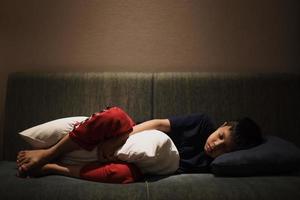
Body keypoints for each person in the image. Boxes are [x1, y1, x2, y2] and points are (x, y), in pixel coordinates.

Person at [16, 106, 263, 182]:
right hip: (134, 135)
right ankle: (47, 154)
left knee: (123, 175)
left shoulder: (216, 166)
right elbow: (159, 124)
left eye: (224, 149)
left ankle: (51, 168)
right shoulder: (202, 123)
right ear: (222, 125)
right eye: (220, 137)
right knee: (115, 117)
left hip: (145, 166)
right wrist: (119, 138)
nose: (215, 146)